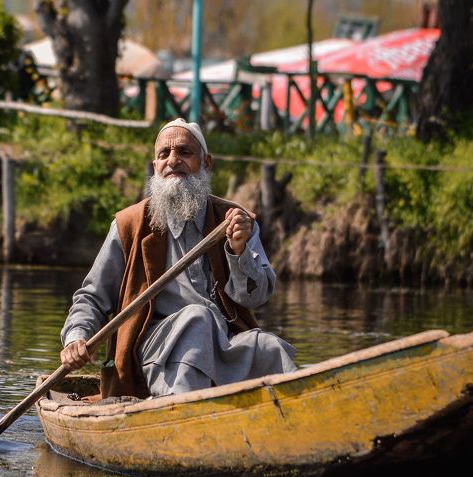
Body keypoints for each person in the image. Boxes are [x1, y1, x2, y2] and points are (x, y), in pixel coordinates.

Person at [60, 118, 296, 398]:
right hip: (154, 348)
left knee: (270, 346)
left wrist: (239, 251)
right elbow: (92, 297)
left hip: (223, 342)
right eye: (164, 154)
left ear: (206, 163)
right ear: (155, 167)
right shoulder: (129, 225)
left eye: (184, 152)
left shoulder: (234, 221)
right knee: (198, 318)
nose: (173, 160)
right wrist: (77, 337)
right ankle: (183, 413)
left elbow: (256, 298)